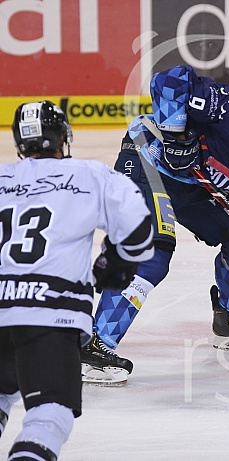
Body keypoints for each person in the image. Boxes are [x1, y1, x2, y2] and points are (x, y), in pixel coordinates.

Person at [80, 65, 229, 383]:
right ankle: (93, 345)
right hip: (149, 159)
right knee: (154, 253)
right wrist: (175, 138)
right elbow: (168, 81)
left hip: (195, 182)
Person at [0, 101, 153, 460]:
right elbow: (139, 231)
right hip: (50, 316)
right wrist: (111, 264)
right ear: (62, 138)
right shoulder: (88, 176)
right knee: (49, 416)